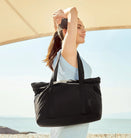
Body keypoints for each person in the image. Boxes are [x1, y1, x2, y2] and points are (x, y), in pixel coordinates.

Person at [43, 7, 92, 138]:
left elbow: (60, 32)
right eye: (78, 26)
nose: (84, 31)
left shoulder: (70, 56)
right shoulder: (67, 55)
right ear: (67, 31)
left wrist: (58, 22)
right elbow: (74, 11)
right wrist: (65, 12)